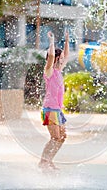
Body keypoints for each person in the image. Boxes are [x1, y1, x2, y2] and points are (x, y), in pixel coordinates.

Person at [39, 30, 69, 171]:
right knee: (55, 137)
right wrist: (52, 41)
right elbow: (51, 56)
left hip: (58, 110)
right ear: (56, 58)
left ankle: (49, 160)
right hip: (50, 109)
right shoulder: (49, 71)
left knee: (62, 137)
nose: (63, 59)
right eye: (61, 57)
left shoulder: (59, 71)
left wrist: (67, 40)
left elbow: (67, 56)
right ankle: (43, 162)